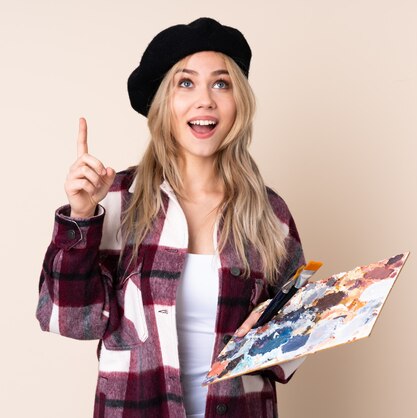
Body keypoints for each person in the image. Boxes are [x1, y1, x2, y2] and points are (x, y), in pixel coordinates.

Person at [36, 17, 306, 418]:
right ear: (163, 103)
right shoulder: (116, 199)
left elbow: (301, 331)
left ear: (238, 102)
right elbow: (70, 319)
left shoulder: (270, 213)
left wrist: (273, 329)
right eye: (185, 83)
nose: (205, 100)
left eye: (221, 83)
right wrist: (81, 215)